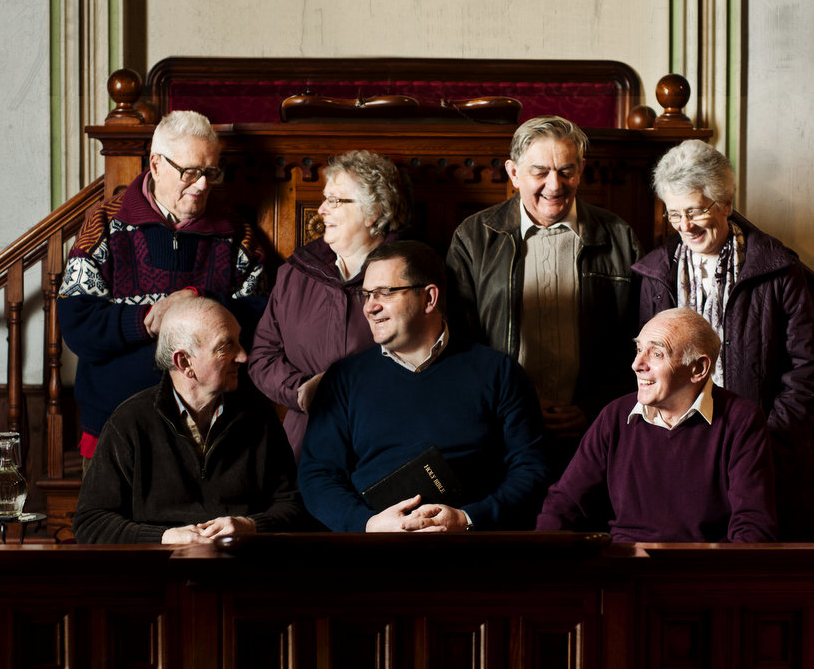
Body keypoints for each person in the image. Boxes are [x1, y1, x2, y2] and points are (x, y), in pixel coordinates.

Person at [631, 139, 814, 539]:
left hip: (766, 451)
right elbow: (645, 371)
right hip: (676, 451)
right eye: (674, 214)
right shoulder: (654, 275)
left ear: (725, 203)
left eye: (695, 211)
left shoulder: (778, 269)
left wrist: (764, 444)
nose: (685, 225)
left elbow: (807, 370)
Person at [58, 110, 267, 470]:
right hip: (116, 426)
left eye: (211, 172)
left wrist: (196, 305)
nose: (202, 185)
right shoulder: (104, 225)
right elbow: (78, 325)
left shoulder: (237, 234)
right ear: (156, 164)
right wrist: (146, 321)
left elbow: (260, 317)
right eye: (190, 172)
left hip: (213, 430)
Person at [298, 240, 549, 533]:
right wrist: (367, 525)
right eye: (366, 295)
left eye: (385, 293)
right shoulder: (343, 378)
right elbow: (317, 475)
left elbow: (532, 468)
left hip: (473, 546)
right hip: (372, 548)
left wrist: (468, 519)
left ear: (429, 298)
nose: (370, 307)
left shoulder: (499, 372)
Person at [446, 115, 642, 471]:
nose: (555, 185)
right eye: (540, 172)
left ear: (581, 170)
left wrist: (591, 409)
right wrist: (514, 405)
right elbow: (459, 343)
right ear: (513, 173)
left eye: (566, 171)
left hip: (594, 433)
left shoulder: (618, 236)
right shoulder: (474, 237)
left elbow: (637, 340)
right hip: (501, 433)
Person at [73, 297, 306, 544]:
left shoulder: (259, 416)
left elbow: (293, 506)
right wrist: (164, 538)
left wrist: (251, 525)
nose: (243, 356)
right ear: (184, 362)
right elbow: (91, 523)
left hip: (239, 564)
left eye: (239, 341)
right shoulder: (129, 423)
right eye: (226, 346)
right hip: (160, 565)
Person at [536, 308, 777, 543]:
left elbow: (753, 528)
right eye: (639, 350)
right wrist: (544, 560)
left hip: (704, 565)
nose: (637, 364)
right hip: (627, 563)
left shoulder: (742, 420)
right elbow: (564, 502)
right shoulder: (614, 416)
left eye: (657, 354)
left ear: (698, 368)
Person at [248, 150, 410, 461]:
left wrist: (346, 392)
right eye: (325, 199)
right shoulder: (295, 273)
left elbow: (428, 360)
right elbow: (263, 356)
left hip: (384, 444)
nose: (321, 209)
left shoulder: (411, 275)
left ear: (373, 212)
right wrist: (302, 390)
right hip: (305, 442)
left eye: (335, 200)